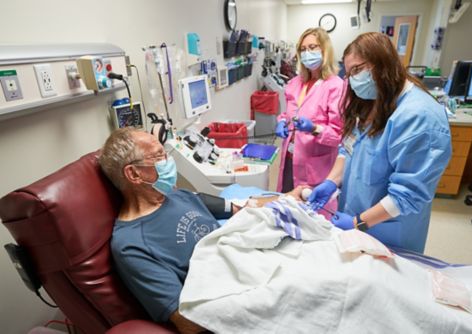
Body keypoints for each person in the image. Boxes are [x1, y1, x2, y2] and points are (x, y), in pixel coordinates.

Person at [98, 127, 304, 334]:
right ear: (133, 174)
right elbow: (187, 321)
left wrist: (288, 198)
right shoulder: (132, 245)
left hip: (261, 266)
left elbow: (245, 209)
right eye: (159, 155)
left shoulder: (180, 196)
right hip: (245, 300)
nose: (168, 161)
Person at [308, 32, 452, 253]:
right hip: (357, 215)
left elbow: (407, 195)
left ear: (383, 63)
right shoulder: (371, 101)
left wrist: (358, 223)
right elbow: (348, 148)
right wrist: (330, 182)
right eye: (348, 73)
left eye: (357, 70)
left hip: (390, 228)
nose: (353, 79)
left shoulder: (419, 117)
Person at [275, 28, 344, 212]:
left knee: (314, 214)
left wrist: (314, 128)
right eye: (303, 49)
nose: (307, 53)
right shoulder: (295, 82)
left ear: (324, 50)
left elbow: (339, 135)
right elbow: (287, 113)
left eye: (312, 47)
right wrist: (281, 121)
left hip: (315, 166)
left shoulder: (335, 86)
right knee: (287, 207)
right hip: (290, 159)